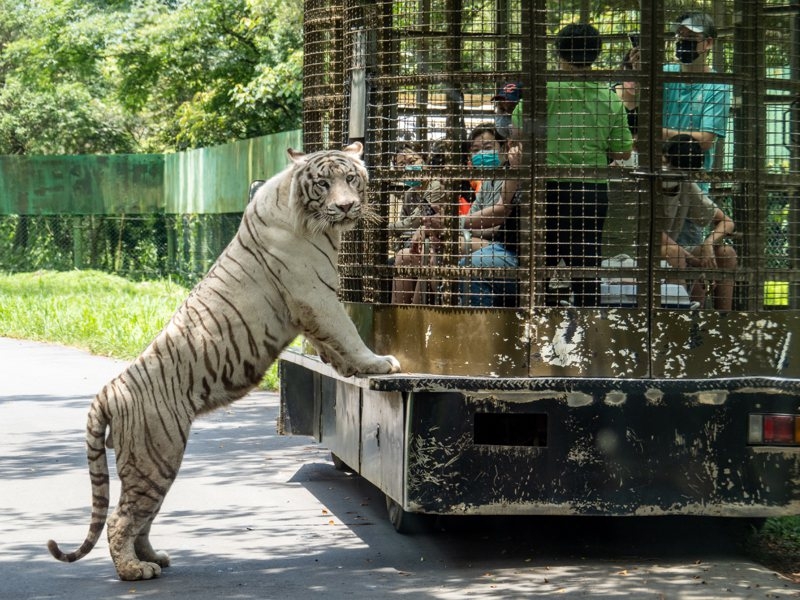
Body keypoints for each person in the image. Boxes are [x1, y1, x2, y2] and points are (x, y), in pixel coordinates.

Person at [545, 23, 633, 307]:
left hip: (548, 189)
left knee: (539, 263)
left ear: (559, 53)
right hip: (590, 190)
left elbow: (519, 129)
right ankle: (588, 331)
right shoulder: (609, 98)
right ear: (595, 55)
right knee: (586, 265)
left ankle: (535, 327)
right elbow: (623, 150)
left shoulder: (545, 91)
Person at [659, 134, 737, 310]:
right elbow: (652, 234)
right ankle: (678, 323)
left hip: (674, 249)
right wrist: (695, 260)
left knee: (726, 253)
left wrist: (709, 244)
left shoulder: (685, 183)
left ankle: (721, 322)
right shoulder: (647, 181)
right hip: (642, 250)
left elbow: (726, 221)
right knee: (675, 254)